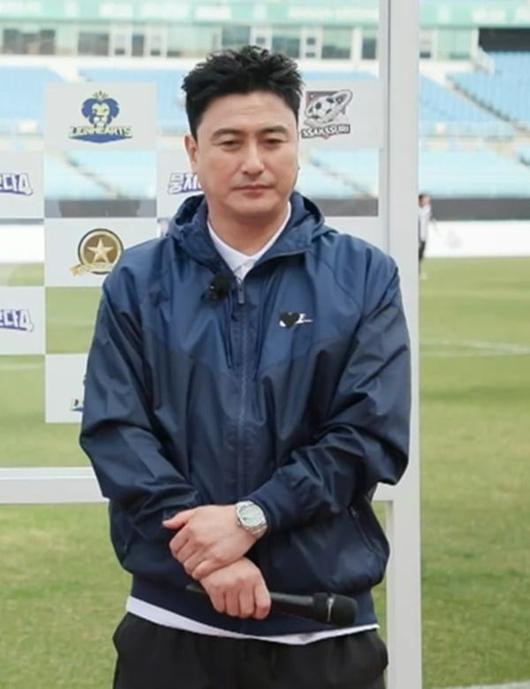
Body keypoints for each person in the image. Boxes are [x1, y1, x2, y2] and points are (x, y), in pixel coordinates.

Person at [80, 45, 411, 689]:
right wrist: (208, 558)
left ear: (297, 146)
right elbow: (117, 433)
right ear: (192, 151)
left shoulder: (365, 275)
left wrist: (251, 517)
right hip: (173, 622)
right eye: (229, 141)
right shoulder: (138, 280)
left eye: (272, 139)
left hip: (322, 626)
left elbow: (369, 435)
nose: (253, 161)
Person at [418, 192, 435, 278]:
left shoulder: (428, 208)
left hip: (424, 235)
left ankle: (418, 271)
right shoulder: (416, 209)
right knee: (416, 255)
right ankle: (417, 272)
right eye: (425, 199)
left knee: (421, 255)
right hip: (416, 236)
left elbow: (429, 218)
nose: (427, 201)